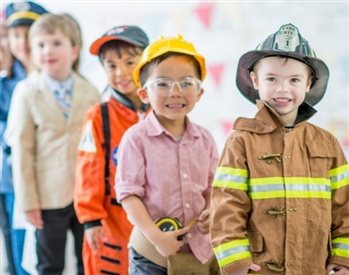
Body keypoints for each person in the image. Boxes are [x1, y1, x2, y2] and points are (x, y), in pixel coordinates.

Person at [210, 23, 349, 275]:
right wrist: (236, 263)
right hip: (259, 269)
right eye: (271, 78)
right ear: (255, 80)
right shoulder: (241, 141)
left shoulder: (327, 143)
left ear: (308, 83)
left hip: (315, 268)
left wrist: (344, 258)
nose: (282, 89)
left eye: (294, 80)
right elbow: (226, 206)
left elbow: (345, 207)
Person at [115, 34, 220, 275]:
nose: (175, 92)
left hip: (199, 253)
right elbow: (128, 194)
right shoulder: (136, 138)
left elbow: (213, 188)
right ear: (144, 94)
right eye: (162, 84)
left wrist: (211, 210)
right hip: (151, 256)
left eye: (186, 83)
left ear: (199, 92)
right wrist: (155, 237)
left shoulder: (205, 139)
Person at [6, 13, 100, 275]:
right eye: (40, 45)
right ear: (33, 52)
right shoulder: (26, 92)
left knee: (89, 260)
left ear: (74, 49)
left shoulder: (89, 91)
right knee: (49, 264)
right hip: (46, 198)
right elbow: (22, 152)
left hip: (86, 195)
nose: (48, 50)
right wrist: (28, 203)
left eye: (56, 43)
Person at [74, 25, 150, 275]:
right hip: (112, 224)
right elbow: (88, 170)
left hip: (157, 225)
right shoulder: (99, 116)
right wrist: (91, 221)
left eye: (130, 62)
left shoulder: (163, 112)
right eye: (112, 66)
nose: (122, 73)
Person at [1, 2, 48, 275]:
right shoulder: (6, 81)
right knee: (16, 256)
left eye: (27, 33)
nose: (21, 43)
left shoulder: (54, 76)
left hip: (47, 183)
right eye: (13, 35)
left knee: (45, 258)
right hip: (11, 182)